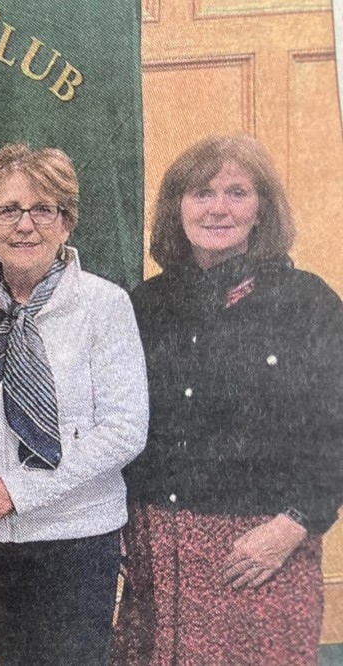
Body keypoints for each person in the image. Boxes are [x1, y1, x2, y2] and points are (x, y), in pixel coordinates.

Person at [113, 135, 343, 665]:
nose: (218, 207)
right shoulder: (142, 306)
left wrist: (292, 526)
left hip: (263, 550)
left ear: (262, 209)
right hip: (159, 550)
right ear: (177, 207)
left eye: (237, 192)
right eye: (201, 193)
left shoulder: (309, 303)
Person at [0, 143, 148, 666]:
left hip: (78, 534)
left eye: (43, 209)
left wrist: (18, 489)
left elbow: (126, 430)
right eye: (8, 210)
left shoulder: (105, 305)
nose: (25, 225)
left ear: (67, 223)